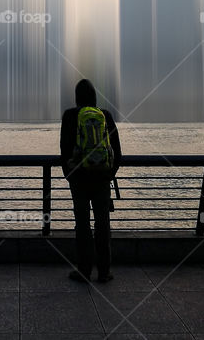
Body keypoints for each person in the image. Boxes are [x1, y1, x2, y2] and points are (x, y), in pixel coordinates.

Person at [60, 78, 122, 283]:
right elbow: (117, 151)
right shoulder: (105, 116)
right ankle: (104, 271)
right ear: (95, 97)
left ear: (77, 97)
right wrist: (108, 174)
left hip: (79, 180)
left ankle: (84, 270)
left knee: (83, 224)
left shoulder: (70, 116)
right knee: (103, 224)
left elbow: (65, 148)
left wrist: (69, 175)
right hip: (101, 179)